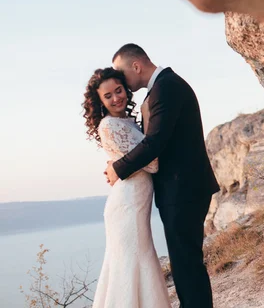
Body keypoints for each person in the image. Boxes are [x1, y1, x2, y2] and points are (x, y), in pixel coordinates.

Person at [104, 44, 220, 308]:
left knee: (186, 266)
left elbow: (155, 142)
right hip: (181, 190)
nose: (122, 81)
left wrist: (118, 168)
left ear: (136, 66)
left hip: (183, 190)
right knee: (185, 265)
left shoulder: (166, 87)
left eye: (122, 74)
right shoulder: (162, 88)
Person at [83, 67, 170, 308]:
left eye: (118, 90)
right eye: (108, 96)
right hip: (127, 207)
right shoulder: (111, 125)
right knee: (131, 265)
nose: (116, 98)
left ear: (125, 89)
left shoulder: (126, 122)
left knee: (134, 263)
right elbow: (152, 163)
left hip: (134, 203)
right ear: (100, 102)